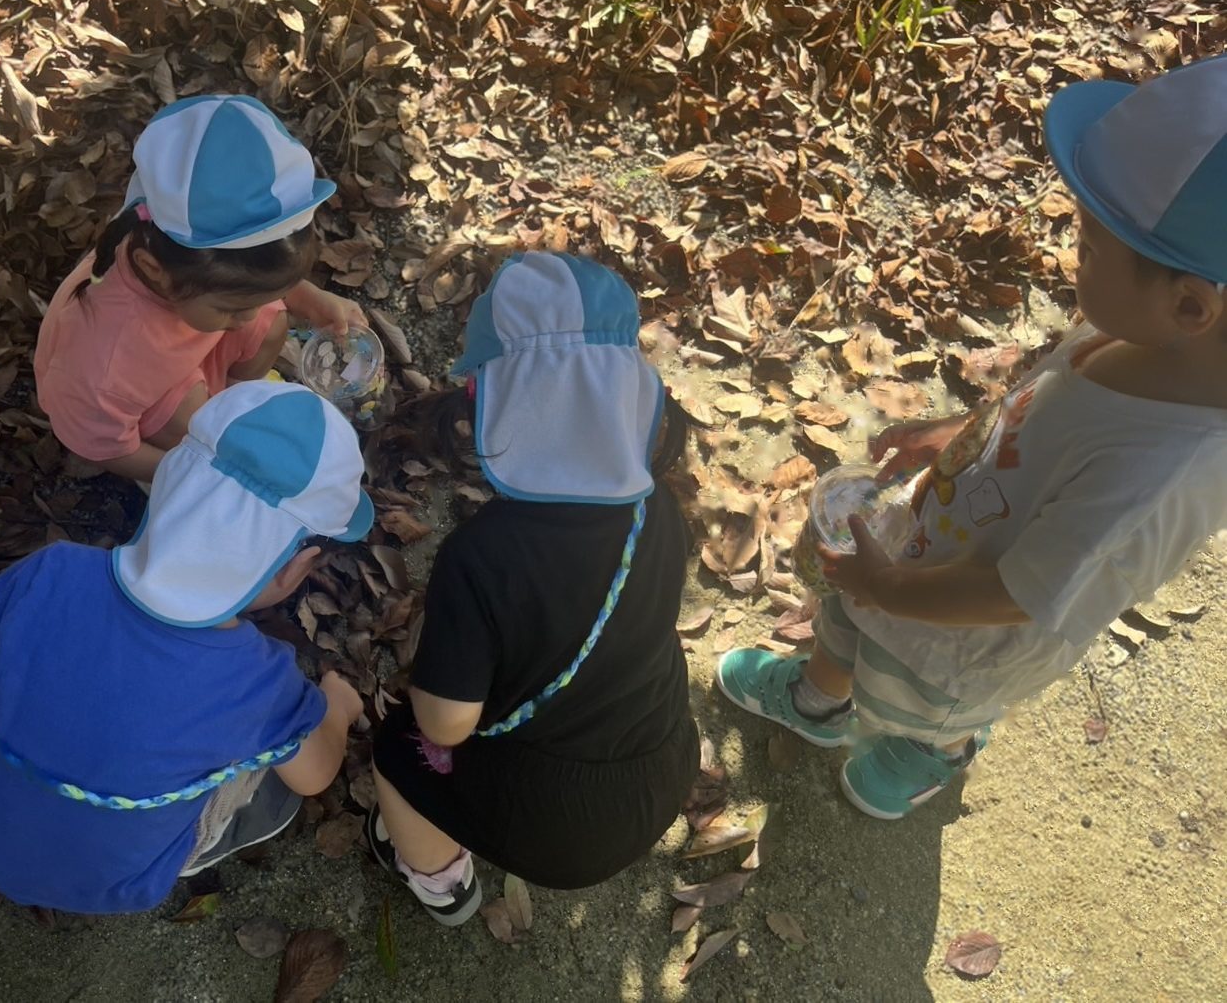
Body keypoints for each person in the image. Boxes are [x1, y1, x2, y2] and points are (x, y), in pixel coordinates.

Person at [718, 53, 1227, 819]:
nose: (1072, 259)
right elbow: (1048, 394)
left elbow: (1022, 592)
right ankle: (817, 702)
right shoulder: (1147, 332)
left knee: (922, 701)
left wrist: (891, 590)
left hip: (967, 638)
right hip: (931, 536)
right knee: (844, 615)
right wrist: (963, 432)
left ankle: (933, 753)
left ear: (1189, 305)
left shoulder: (1160, 474)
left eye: (1089, 249)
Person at [0, 380, 372, 913]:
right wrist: (337, 708)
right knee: (271, 787)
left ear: (169, 483)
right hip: (110, 885)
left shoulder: (55, 569)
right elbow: (314, 777)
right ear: (295, 567)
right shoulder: (260, 679)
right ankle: (198, 845)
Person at [368, 251, 701, 926]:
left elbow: (445, 723)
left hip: (561, 828)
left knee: (397, 748)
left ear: (492, 404)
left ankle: (441, 882)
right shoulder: (656, 508)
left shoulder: (481, 557)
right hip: (664, 759)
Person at [35, 95, 366, 484]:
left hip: (185, 344)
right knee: (193, 421)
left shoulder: (174, 254)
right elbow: (103, 447)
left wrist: (308, 299)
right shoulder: (105, 365)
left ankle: (231, 402)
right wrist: (193, 474)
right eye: (233, 306)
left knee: (270, 322)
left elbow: (248, 286)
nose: (246, 316)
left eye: (262, 294)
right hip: (149, 389)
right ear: (154, 270)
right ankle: (203, 437)